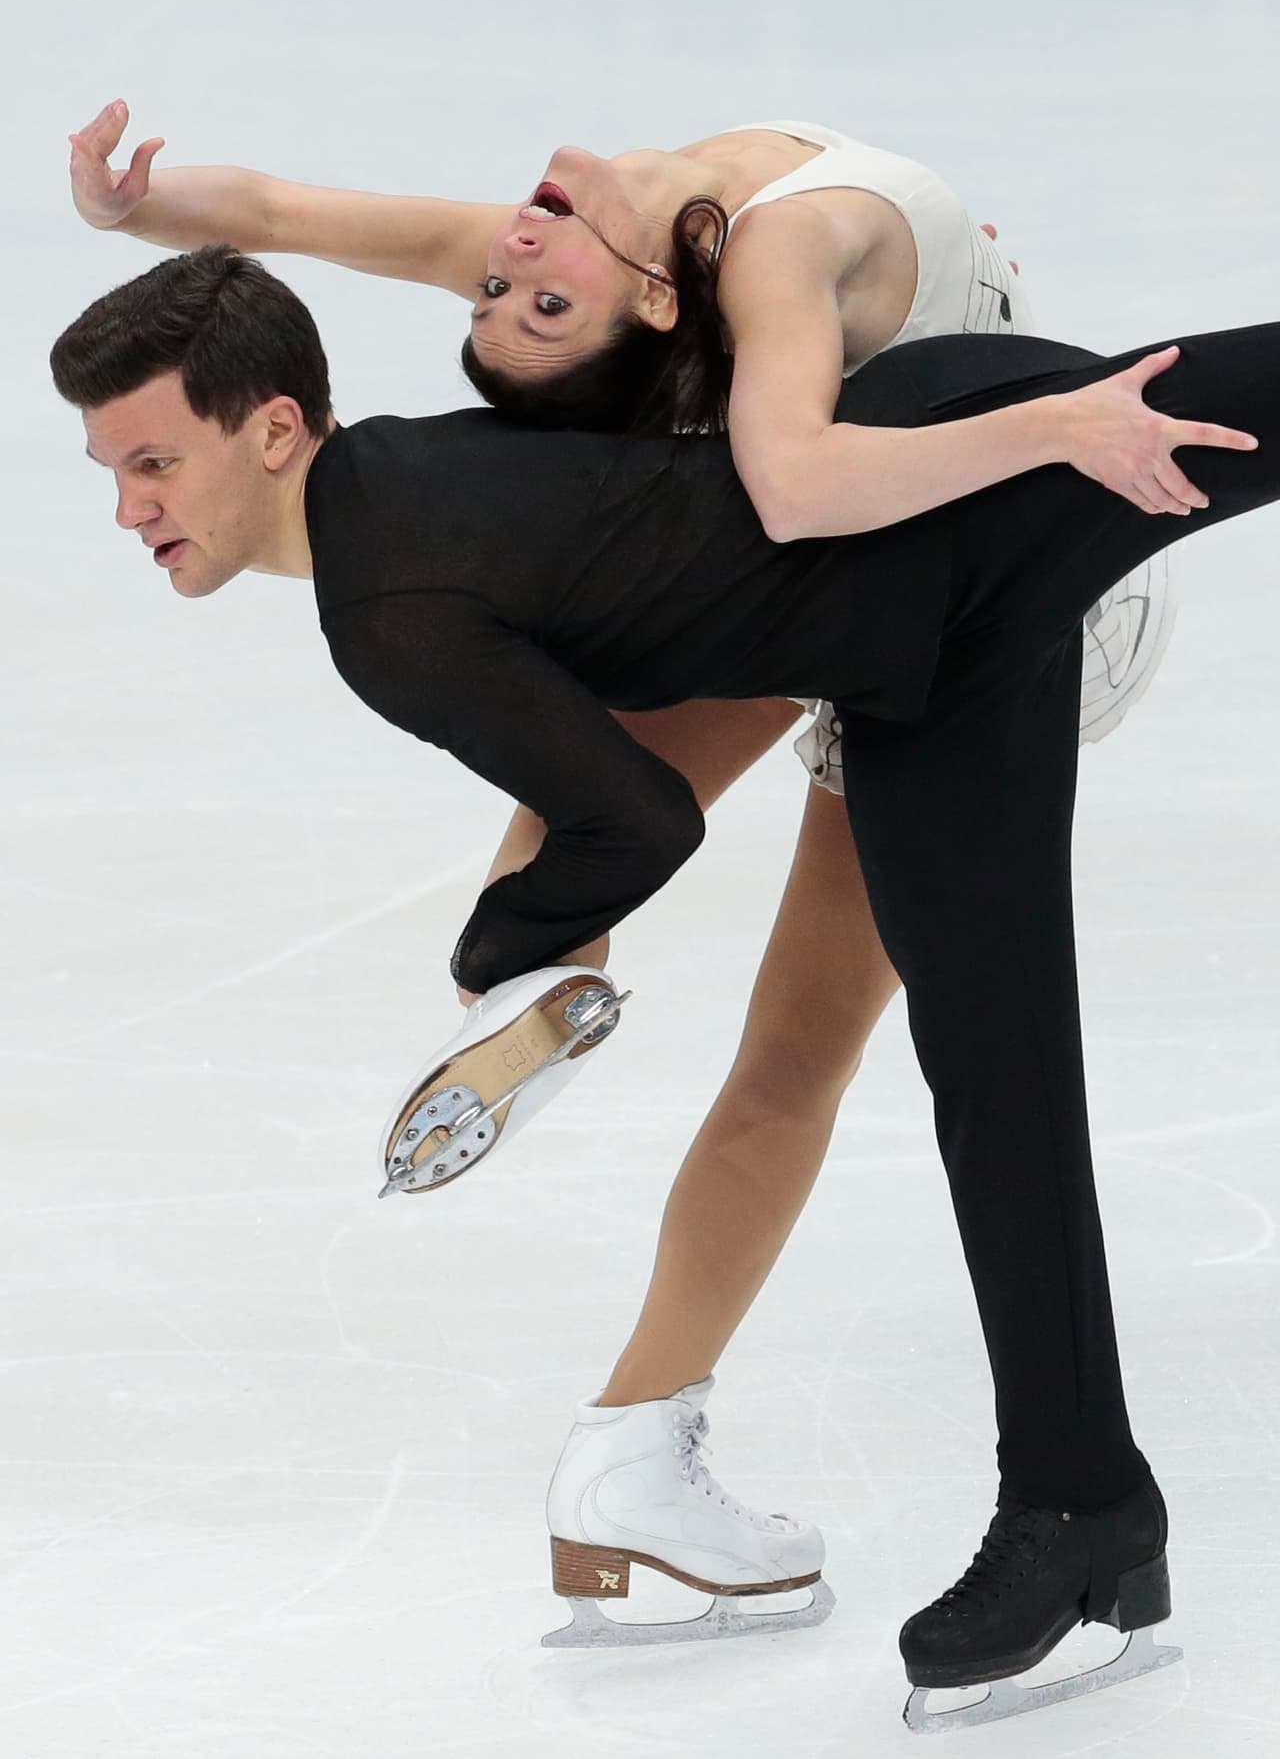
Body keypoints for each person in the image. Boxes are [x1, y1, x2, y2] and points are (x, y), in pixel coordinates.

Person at [49, 245, 1270, 1728]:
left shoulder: (387, 614)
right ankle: (1084, 1510)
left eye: (156, 464)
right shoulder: (405, 471)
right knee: (998, 1081)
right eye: (115, 472)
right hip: (923, 645)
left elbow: (637, 820)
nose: (132, 509)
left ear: (274, 429)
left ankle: (1075, 1508)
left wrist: (501, 954)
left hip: (961, 505)